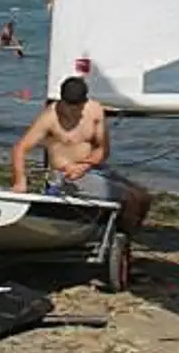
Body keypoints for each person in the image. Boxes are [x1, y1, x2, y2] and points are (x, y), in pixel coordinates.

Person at [11, 75, 151, 236]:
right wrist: (20, 181)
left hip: (91, 168)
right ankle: (117, 238)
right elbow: (20, 148)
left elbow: (103, 150)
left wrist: (85, 165)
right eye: (69, 106)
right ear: (62, 101)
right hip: (66, 175)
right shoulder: (49, 118)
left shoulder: (95, 110)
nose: (73, 111)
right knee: (129, 198)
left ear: (84, 102)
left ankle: (121, 236)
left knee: (143, 196)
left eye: (77, 107)